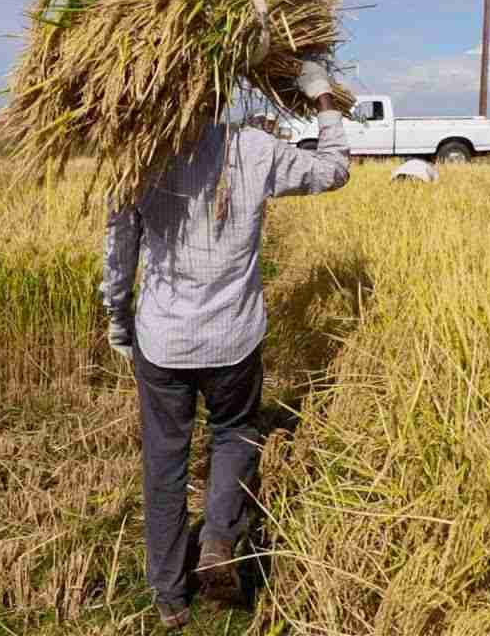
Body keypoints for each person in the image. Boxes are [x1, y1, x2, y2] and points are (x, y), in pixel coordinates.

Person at [100, 61, 350, 629]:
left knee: (164, 461)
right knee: (235, 432)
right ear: (219, 93)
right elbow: (334, 170)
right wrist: (323, 99)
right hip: (233, 339)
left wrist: (118, 320)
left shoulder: (137, 160)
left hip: (162, 343)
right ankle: (217, 536)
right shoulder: (254, 149)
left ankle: (168, 596)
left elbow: (118, 258)